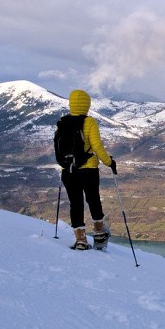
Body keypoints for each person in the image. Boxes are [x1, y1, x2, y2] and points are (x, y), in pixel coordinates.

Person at [54, 89, 117, 250]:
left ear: (71, 103)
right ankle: (99, 233)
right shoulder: (89, 122)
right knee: (93, 200)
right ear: (87, 104)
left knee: (76, 204)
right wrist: (109, 162)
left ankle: (80, 240)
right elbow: (97, 146)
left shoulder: (63, 122)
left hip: (69, 171)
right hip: (88, 169)